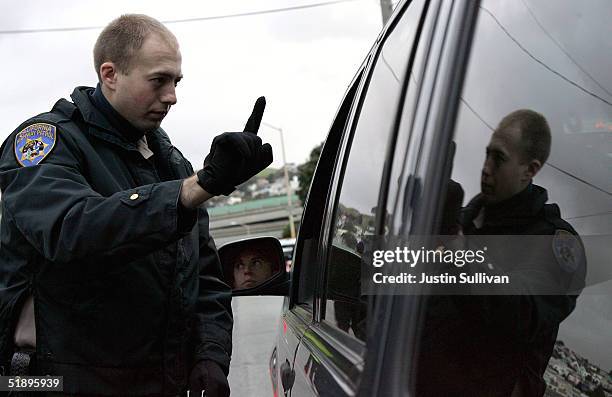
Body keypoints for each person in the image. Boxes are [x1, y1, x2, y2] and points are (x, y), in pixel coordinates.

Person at [0, 14, 272, 396]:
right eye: (158, 80)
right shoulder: (43, 143)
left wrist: (209, 356)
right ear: (110, 74)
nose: (172, 96)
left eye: (176, 82)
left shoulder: (171, 163)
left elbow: (205, 278)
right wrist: (191, 190)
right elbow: (70, 229)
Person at [416, 109, 585, 396]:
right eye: (487, 154)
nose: (486, 167)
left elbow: (522, 313)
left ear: (530, 170)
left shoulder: (557, 244)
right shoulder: (464, 220)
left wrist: (456, 252)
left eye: (499, 158)